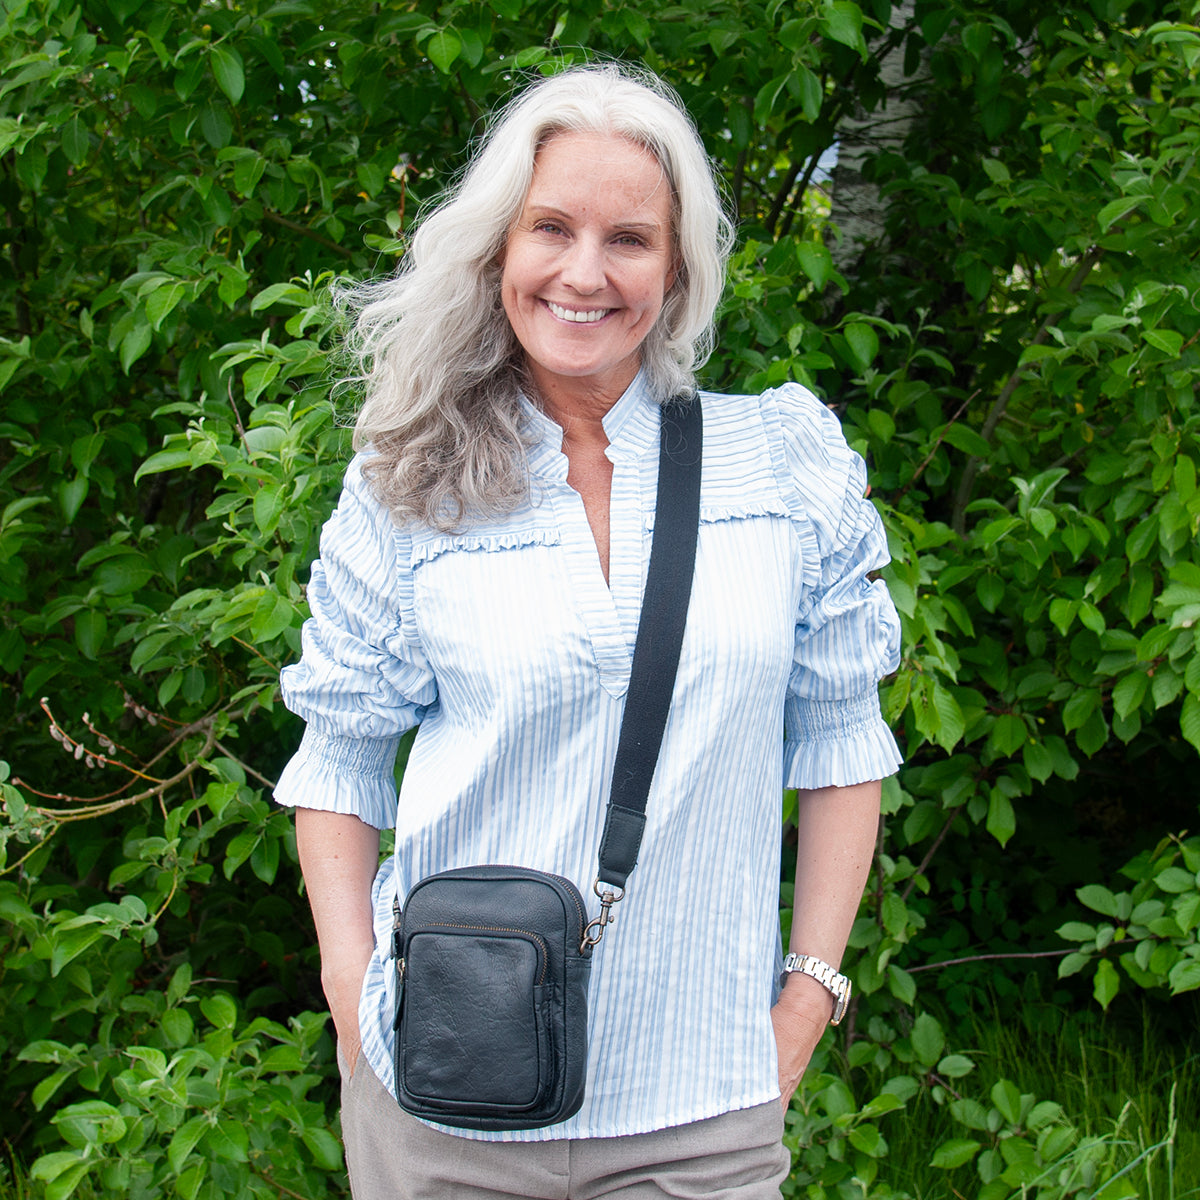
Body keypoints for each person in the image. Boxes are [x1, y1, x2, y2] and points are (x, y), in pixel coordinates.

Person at [275, 63, 902, 1200]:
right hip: (447, 1099)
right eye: (551, 228)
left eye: (629, 239)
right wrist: (353, 996)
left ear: (677, 270)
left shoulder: (780, 463)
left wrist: (807, 999)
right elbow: (340, 755)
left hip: (704, 1106)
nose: (584, 272)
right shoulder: (410, 481)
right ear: (497, 251)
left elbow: (841, 740)